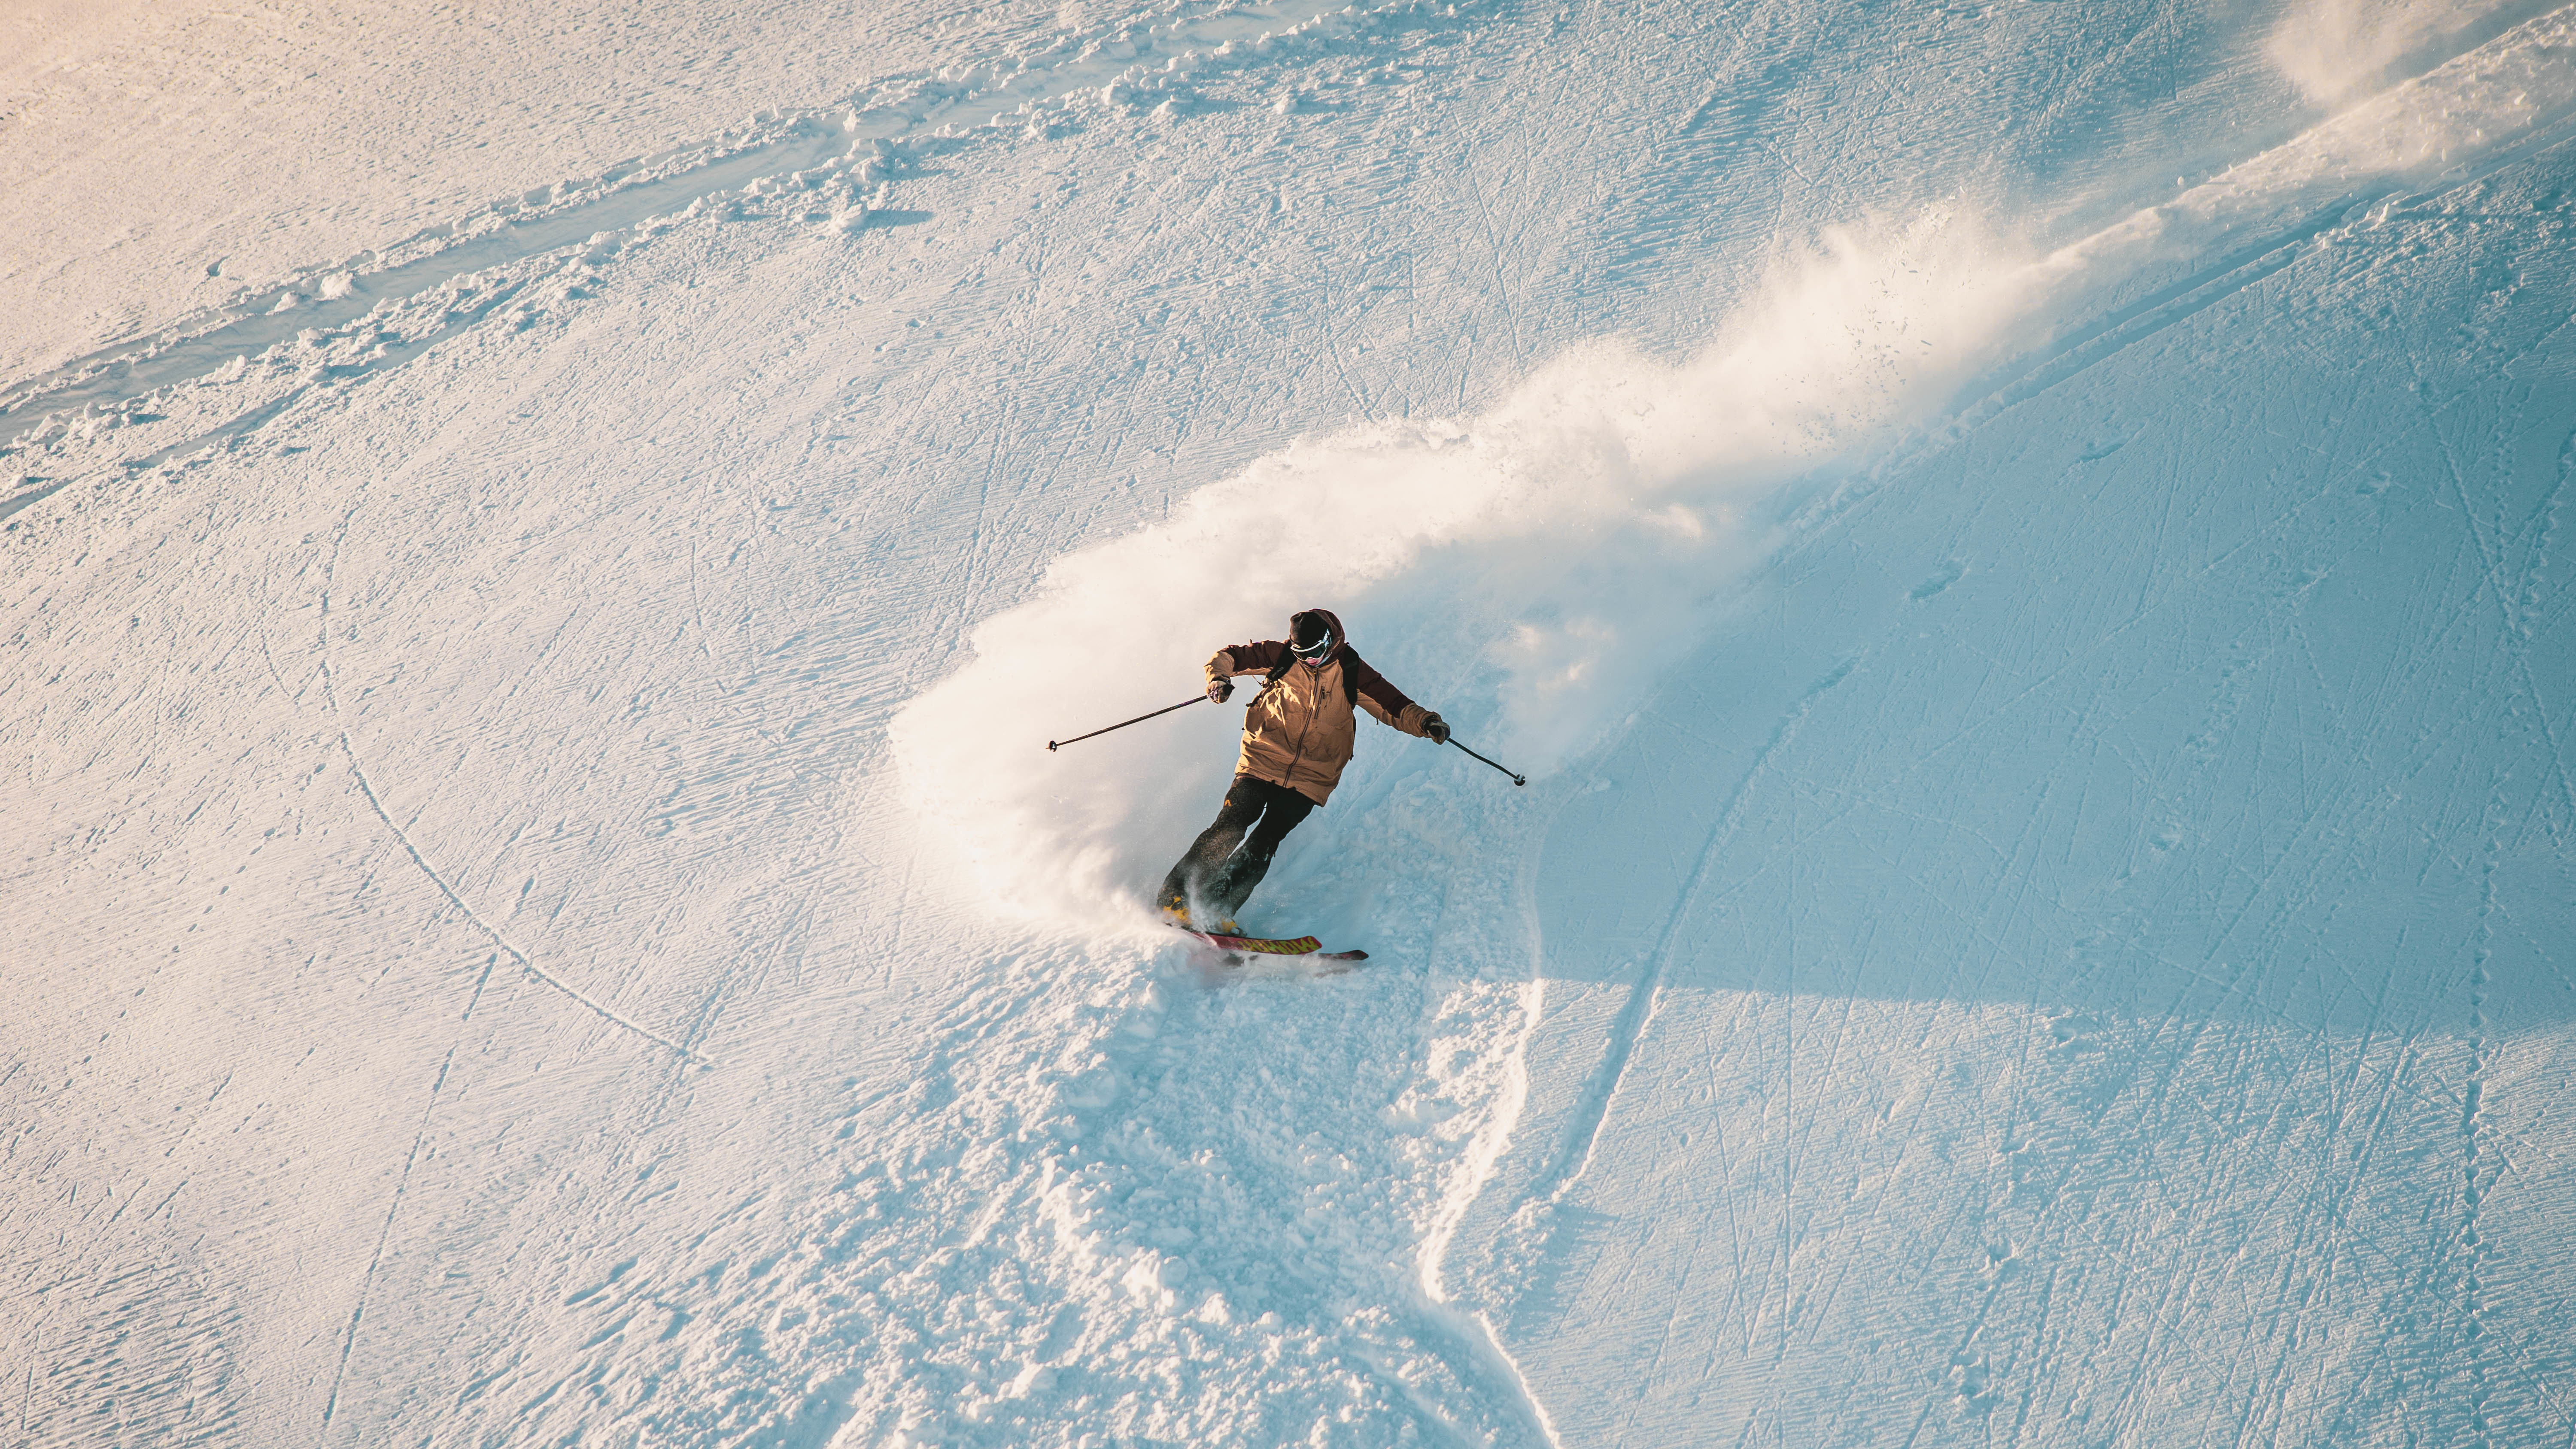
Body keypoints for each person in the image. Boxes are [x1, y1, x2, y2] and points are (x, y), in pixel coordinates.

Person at [1157, 608, 1448, 931]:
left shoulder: (1351, 670)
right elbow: (1228, 657)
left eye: (1316, 652)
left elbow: (1395, 707)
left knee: (1265, 842)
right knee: (1232, 823)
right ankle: (1175, 898)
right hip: (1263, 757)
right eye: (1302, 654)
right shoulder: (1280, 656)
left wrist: (1426, 722)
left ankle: (1216, 909)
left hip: (1313, 774)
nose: (1309, 660)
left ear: (1330, 642)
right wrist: (1218, 679)